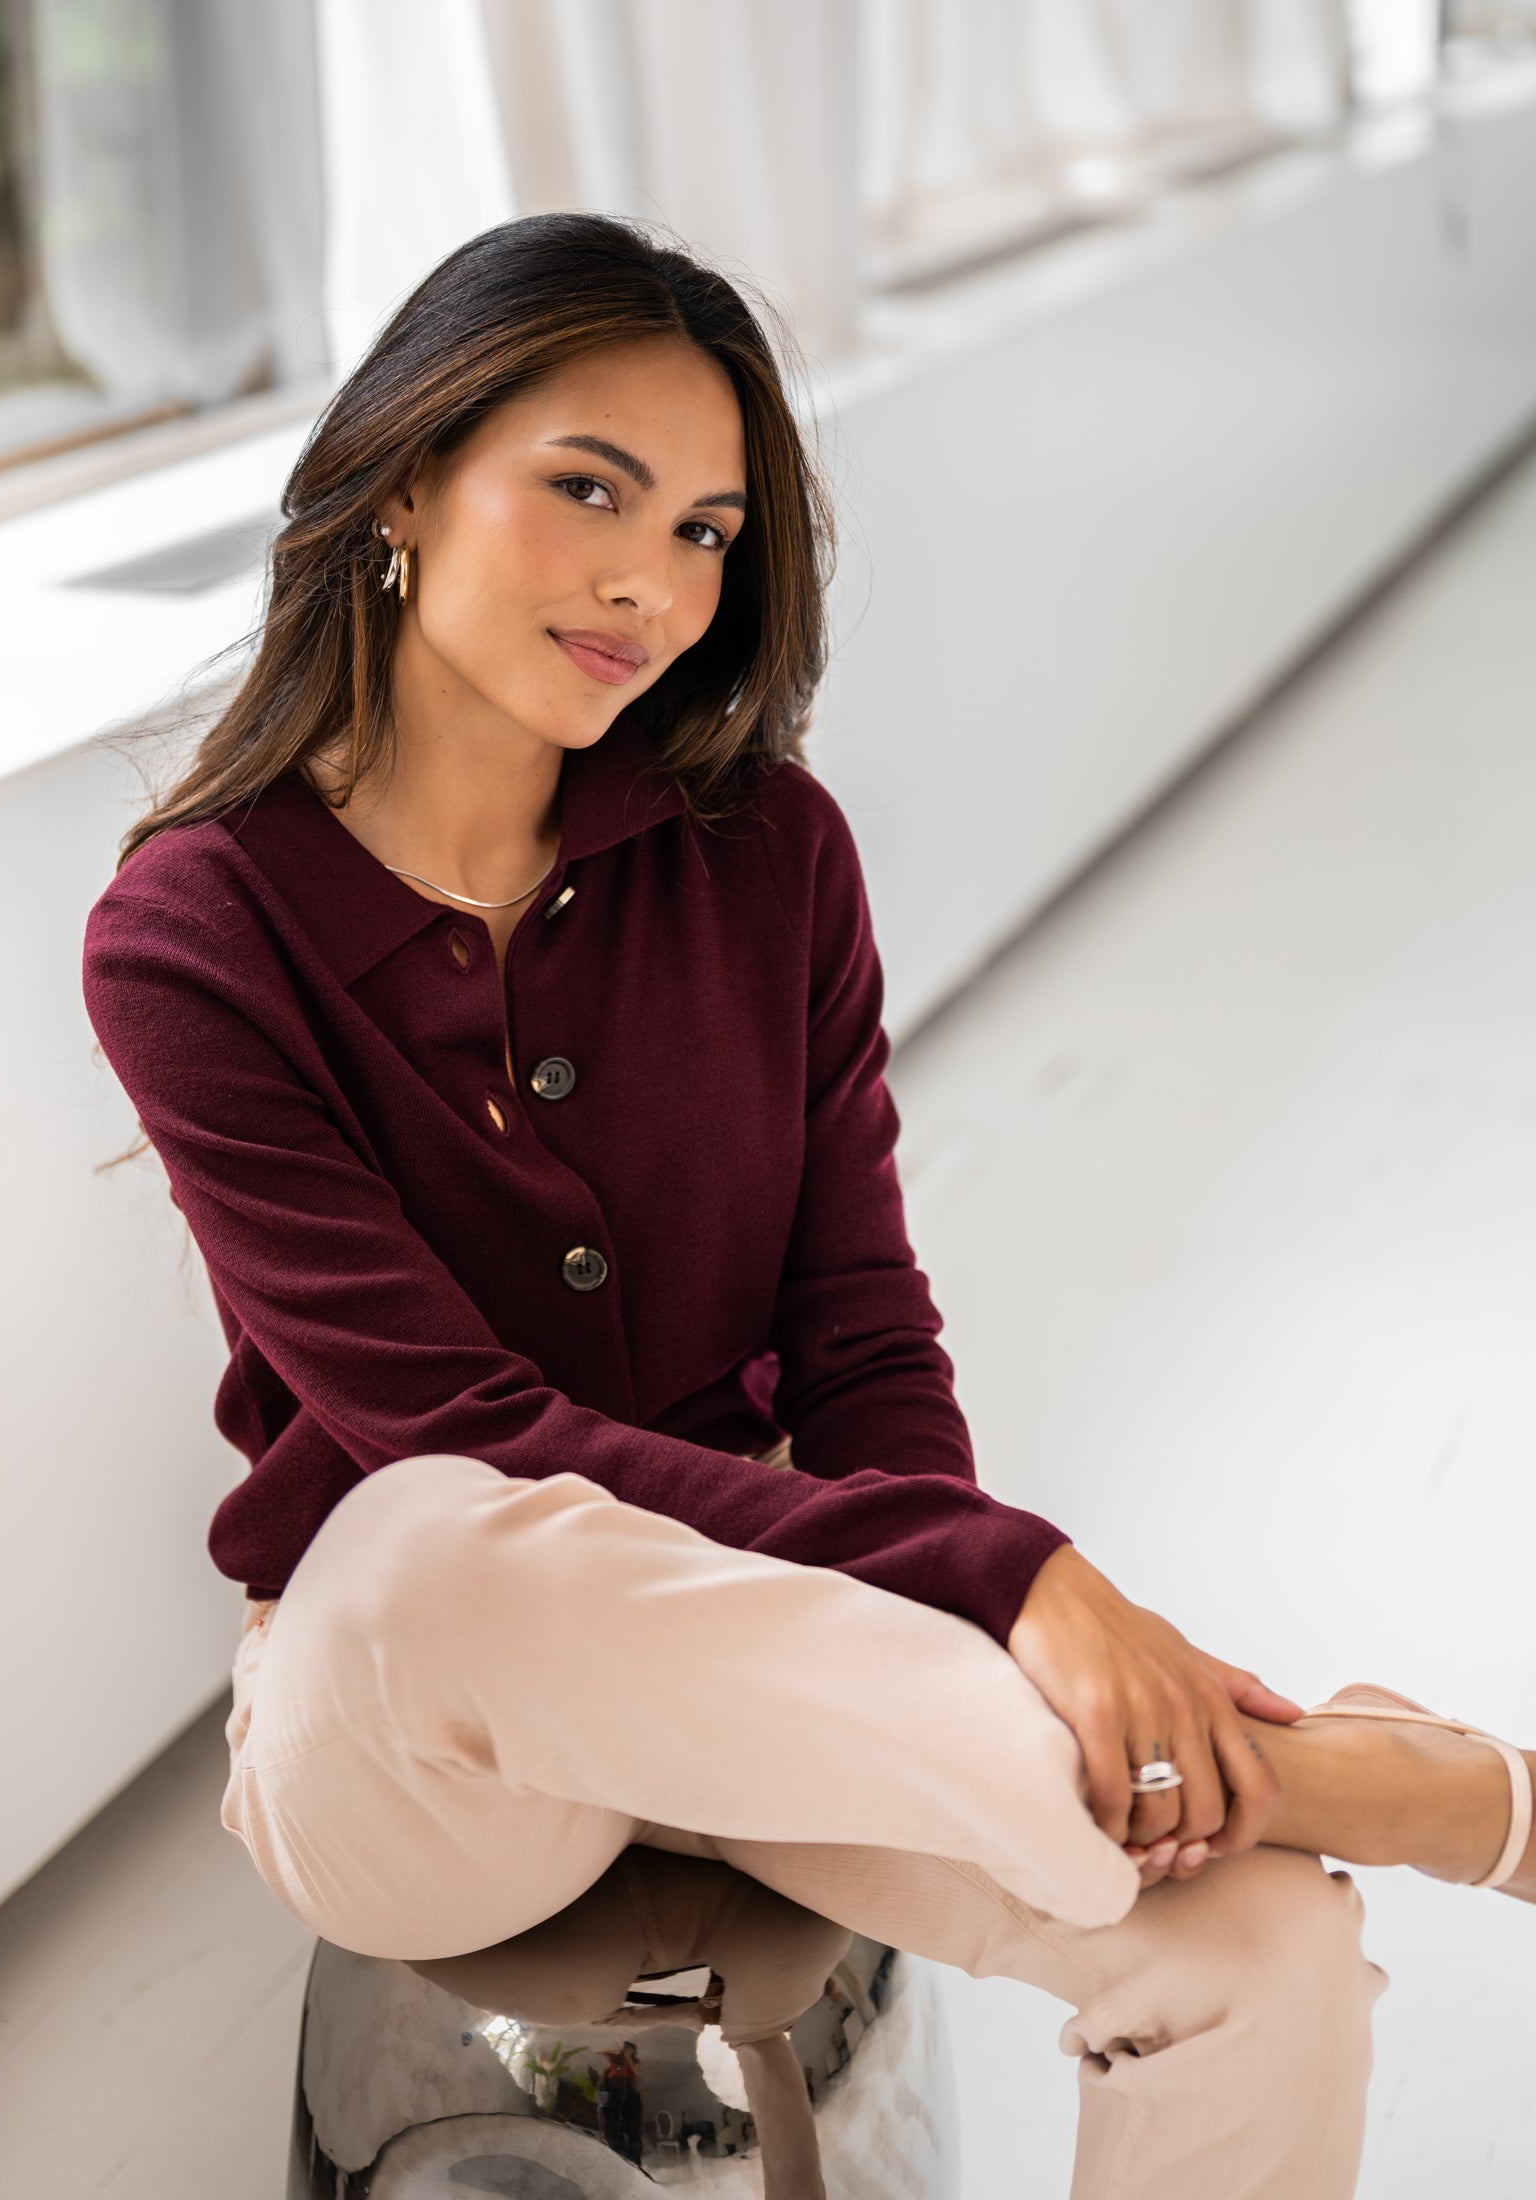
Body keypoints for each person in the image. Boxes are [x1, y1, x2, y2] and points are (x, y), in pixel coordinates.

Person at [81, 212, 1532, 2200]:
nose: (652, 582)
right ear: (406, 475)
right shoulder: (197, 931)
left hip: (780, 1652)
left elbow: (857, 1330)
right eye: (589, 488)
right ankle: (1329, 1770)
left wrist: (943, 1562)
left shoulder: (770, 855)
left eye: (702, 528)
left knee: (1264, 1945)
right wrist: (1015, 1578)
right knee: (438, 1532)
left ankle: (1251, 1798)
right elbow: (469, 1433)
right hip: (424, 1732)